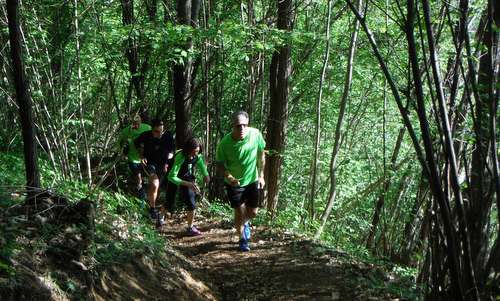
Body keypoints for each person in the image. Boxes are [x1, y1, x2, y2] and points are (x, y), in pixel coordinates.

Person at [216, 111, 265, 252]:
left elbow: (262, 155)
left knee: (253, 212)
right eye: (238, 126)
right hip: (234, 183)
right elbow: (220, 164)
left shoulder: (256, 134)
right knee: (239, 210)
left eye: (244, 125)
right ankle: (242, 239)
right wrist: (229, 177)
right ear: (233, 126)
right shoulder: (225, 143)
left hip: (252, 180)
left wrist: (261, 175)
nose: (242, 129)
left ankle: (244, 224)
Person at [166, 138, 210, 235]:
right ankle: (160, 218)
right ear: (188, 150)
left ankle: (190, 227)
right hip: (174, 177)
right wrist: (189, 184)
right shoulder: (180, 157)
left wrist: (206, 175)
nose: (195, 154)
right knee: (169, 201)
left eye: (197, 152)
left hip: (187, 177)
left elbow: (201, 165)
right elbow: (171, 176)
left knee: (191, 203)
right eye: (193, 152)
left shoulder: (197, 156)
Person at [134, 119, 175, 223]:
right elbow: (136, 143)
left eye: (161, 131)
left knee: (158, 186)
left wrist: (168, 159)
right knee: (154, 183)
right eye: (157, 131)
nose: (160, 134)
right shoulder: (145, 135)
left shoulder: (168, 136)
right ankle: (152, 209)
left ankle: (154, 205)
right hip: (150, 163)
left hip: (163, 165)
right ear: (152, 130)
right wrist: (141, 155)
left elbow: (172, 151)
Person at [117, 114, 151, 200]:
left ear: (141, 121)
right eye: (134, 123)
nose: (136, 125)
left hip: (145, 157)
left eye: (138, 123)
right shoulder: (126, 131)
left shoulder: (147, 127)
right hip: (132, 158)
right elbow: (119, 142)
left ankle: (148, 193)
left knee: (148, 175)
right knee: (137, 175)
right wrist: (122, 153)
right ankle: (141, 193)